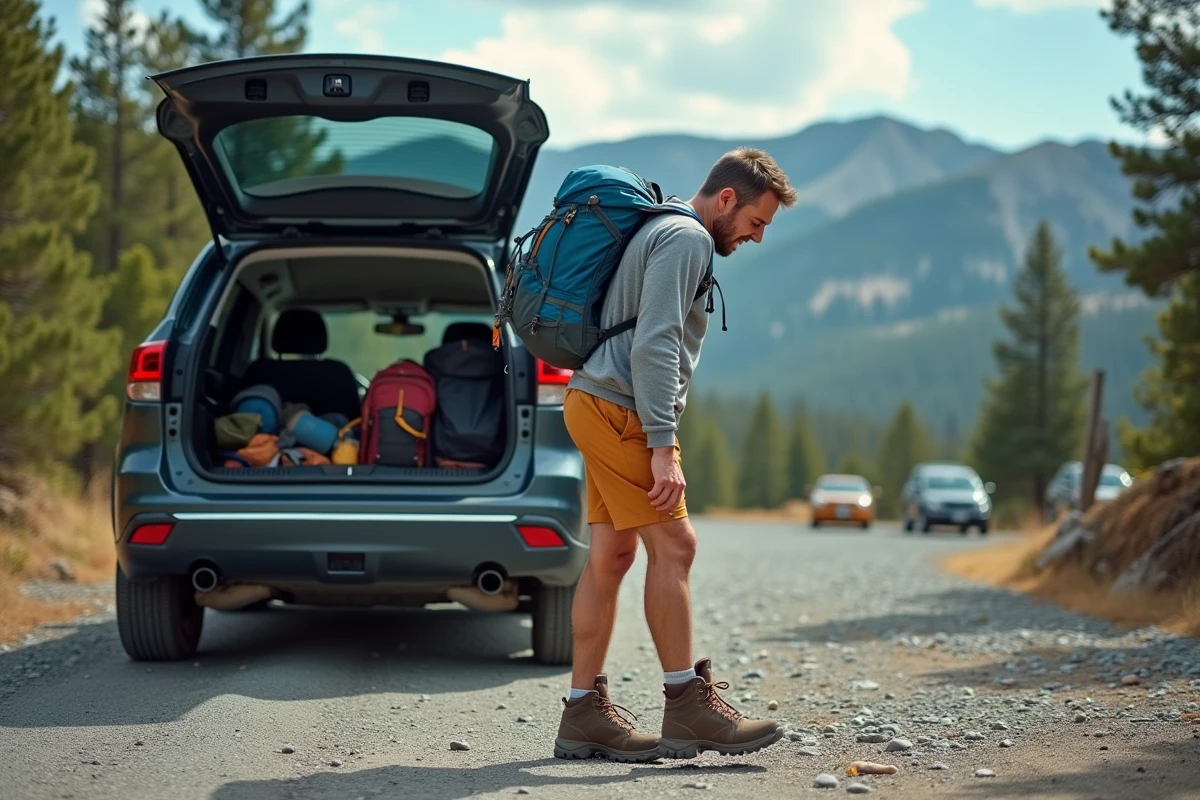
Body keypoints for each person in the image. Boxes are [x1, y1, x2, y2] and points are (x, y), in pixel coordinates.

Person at [553, 148, 798, 762]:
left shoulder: (664, 228)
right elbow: (656, 341)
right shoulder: (687, 238)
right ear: (726, 199)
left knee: (610, 555)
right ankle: (686, 707)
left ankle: (582, 714)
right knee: (677, 546)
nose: (758, 236)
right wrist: (664, 446)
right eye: (756, 221)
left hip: (594, 399)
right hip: (621, 408)